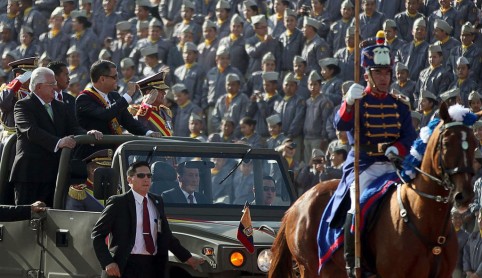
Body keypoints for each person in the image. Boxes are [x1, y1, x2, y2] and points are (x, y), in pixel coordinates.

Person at [321, 43, 417, 277]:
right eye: (378, 73)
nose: (384, 78)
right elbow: (340, 124)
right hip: (364, 166)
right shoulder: (358, 100)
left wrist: (397, 147)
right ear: (367, 75)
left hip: (394, 167)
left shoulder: (399, 104)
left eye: (387, 73)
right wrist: (348, 102)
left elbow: (409, 136)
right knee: (357, 206)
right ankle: (353, 260)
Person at [92, 161, 204, 278]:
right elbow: (97, 235)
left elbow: (166, 236)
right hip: (125, 265)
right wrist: (108, 262)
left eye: (149, 176)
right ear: (129, 180)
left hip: (152, 266)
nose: (146, 179)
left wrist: (187, 257)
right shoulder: (119, 202)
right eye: (141, 176)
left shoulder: (157, 201)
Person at [10, 67, 103, 207]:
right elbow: (31, 131)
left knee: (54, 219)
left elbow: (74, 128)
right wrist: (59, 142)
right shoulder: (23, 105)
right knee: (28, 221)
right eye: (51, 84)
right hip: (31, 175)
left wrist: (87, 133)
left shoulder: (61, 107)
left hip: (55, 174)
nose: (56, 87)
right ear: (39, 86)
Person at [76, 60, 161, 138]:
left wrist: (148, 132)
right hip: (95, 151)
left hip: (114, 150)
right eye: (114, 77)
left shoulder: (115, 96)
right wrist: (128, 95)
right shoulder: (84, 98)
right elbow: (106, 114)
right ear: (102, 79)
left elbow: (129, 123)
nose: (117, 79)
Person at [132, 70, 174, 136]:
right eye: (160, 90)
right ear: (148, 93)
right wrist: (146, 105)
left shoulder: (166, 112)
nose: (164, 93)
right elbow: (136, 129)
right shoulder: (135, 111)